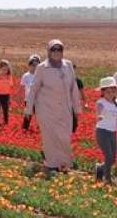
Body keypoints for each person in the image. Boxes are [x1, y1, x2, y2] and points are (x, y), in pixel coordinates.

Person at [26, 40, 82, 175]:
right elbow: (34, 89)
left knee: (64, 137)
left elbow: (73, 88)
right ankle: (52, 165)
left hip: (64, 109)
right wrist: (28, 109)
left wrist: (77, 108)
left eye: (59, 50)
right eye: (54, 50)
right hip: (46, 109)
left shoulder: (68, 66)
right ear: (49, 52)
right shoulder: (42, 68)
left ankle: (64, 163)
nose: (57, 53)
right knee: (50, 137)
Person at [94, 77, 117, 183]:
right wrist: (99, 116)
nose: (111, 94)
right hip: (102, 132)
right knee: (108, 155)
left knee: (112, 159)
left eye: (113, 91)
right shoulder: (101, 102)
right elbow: (98, 111)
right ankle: (107, 178)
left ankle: (100, 168)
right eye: (108, 92)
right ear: (103, 92)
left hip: (112, 132)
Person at [20, 55, 40, 131]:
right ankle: (25, 129)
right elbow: (22, 88)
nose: (34, 67)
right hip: (28, 99)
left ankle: (40, 130)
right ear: (29, 65)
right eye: (33, 65)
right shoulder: (26, 76)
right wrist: (20, 98)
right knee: (28, 115)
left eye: (37, 65)